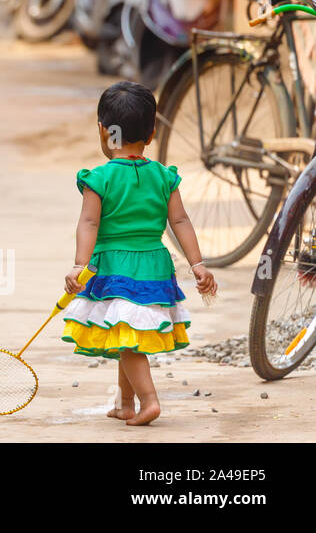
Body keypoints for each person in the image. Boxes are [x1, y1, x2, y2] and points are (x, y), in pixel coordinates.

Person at [62, 81, 216, 426]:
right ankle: (125, 403)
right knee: (124, 332)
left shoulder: (98, 179)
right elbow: (180, 220)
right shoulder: (163, 176)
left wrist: (79, 265)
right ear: (152, 134)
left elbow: (88, 223)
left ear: (103, 131)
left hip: (116, 267)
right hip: (154, 265)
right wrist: (198, 264)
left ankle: (149, 401)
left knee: (127, 338)